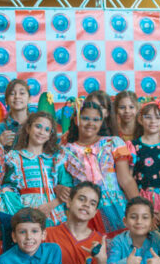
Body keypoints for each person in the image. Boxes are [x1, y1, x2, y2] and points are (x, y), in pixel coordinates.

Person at [58, 100, 137, 236]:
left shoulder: (112, 143)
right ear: (76, 120)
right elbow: (62, 182)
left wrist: (139, 206)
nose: (90, 123)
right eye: (85, 118)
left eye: (96, 120)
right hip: (84, 209)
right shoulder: (65, 151)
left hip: (115, 206)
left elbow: (126, 180)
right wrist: (58, 188)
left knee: (121, 243)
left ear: (101, 122)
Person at [0, 111, 66, 225]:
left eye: (47, 130)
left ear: (50, 135)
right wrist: (22, 211)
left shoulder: (56, 158)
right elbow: (8, 187)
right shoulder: (15, 158)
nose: (41, 132)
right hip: (28, 209)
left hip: (53, 209)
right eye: (38, 127)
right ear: (28, 128)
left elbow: (66, 187)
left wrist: (50, 205)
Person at [0, 79, 33, 149]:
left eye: (22, 93)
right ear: (6, 100)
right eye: (12, 94)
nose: (17, 96)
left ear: (29, 99)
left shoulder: (36, 125)